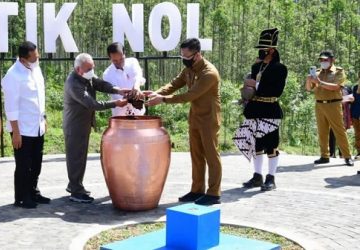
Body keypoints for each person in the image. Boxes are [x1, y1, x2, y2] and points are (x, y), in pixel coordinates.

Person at [145, 38, 222, 206]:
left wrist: (162, 100)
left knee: (211, 156)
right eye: (182, 56)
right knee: (196, 156)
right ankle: (197, 190)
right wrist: (155, 94)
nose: (183, 59)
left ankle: (214, 193)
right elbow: (174, 84)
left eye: (186, 56)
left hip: (209, 120)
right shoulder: (188, 70)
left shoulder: (209, 73)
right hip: (195, 118)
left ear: (197, 55)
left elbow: (189, 96)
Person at [63, 53, 131, 203]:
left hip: (83, 123)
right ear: (78, 69)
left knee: (80, 157)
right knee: (76, 158)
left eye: (92, 67)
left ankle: (74, 184)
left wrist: (117, 90)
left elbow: (100, 83)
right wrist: (115, 103)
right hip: (75, 126)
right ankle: (76, 191)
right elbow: (92, 104)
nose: (92, 71)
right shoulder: (73, 83)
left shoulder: (86, 76)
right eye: (89, 69)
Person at [233, 28, 288, 191]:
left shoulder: (280, 68)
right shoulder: (256, 67)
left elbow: (276, 91)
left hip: (270, 110)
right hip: (255, 109)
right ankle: (257, 176)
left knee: (271, 145)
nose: (261, 52)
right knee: (255, 144)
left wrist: (255, 86)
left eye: (263, 49)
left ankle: (271, 178)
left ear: (272, 50)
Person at [2, 41, 50, 209]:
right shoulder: (13, 75)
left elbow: (39, 97)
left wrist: (44, 118)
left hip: (37, 125)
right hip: (22, 129)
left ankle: (33, 192)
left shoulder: (36, 69)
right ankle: (22, 197)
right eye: (34, 57)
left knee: (37, 162)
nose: (38, 59)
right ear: (23, 59)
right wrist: (16, 132)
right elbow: (11, 107)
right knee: (23, 165)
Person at [305, 50, 354, 166]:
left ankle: (347, 156)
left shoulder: (338, 72)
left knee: (339, 131)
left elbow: (337, 87)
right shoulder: (316, 73)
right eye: (321, 60)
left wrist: (319, 82)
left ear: (332, 60)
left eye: (325, 60)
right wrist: (308, 80)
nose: (323, 62)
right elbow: (308, 89)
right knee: (322, 131)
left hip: (334, 104)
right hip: (319, 104)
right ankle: (324, 156)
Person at [103, 42, 146, 116]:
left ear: (124, 54)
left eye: (121, 59)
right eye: (115, 61)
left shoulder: (133, 62)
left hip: (138, 112)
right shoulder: (107, 74)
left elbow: (138, 75)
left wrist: (136, 86)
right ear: (110, 58)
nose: (119, 62)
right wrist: (127, 97)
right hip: (120, 115)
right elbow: (113, 93)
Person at [329, 86, 354, 158]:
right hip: (334, 111)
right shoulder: (333, 86)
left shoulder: (348, 88)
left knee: (342, 133)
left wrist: (352, 100)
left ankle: (342, 154)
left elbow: (351, 101)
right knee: (332, 132)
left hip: (344, 113)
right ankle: (331, 153)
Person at [350, 72, 360, 159]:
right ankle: (359, 152)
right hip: (356, 114)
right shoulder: (355, 87)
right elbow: (353, 100)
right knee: (357, 134)